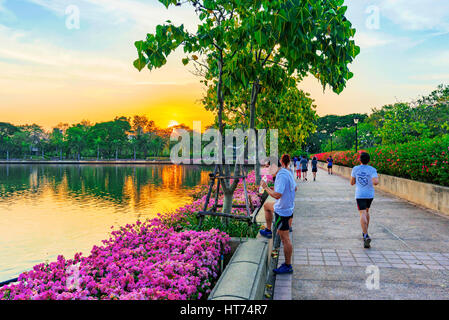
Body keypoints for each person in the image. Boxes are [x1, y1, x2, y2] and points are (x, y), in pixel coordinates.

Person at [260, 154, 297, 274]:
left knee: (285, 239)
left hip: (282, 212)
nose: (267, 170)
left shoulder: (281, 176)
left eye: (268, 167)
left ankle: (287, 265)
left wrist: (266, 187)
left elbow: (277, 195)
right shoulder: (287, 172)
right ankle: (269, 230)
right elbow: (295, 188)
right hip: (288, 208)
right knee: (266, 206)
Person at [350, 152, 379, 249]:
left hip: (360, 194)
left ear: (360, 160)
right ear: (369, 160)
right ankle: (365, 231)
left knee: (362, 213)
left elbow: (352, 182)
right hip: (370, 195)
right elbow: (376, 182)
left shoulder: (355, 169)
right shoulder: (372, 170)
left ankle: (366, 235)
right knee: (367, 211)